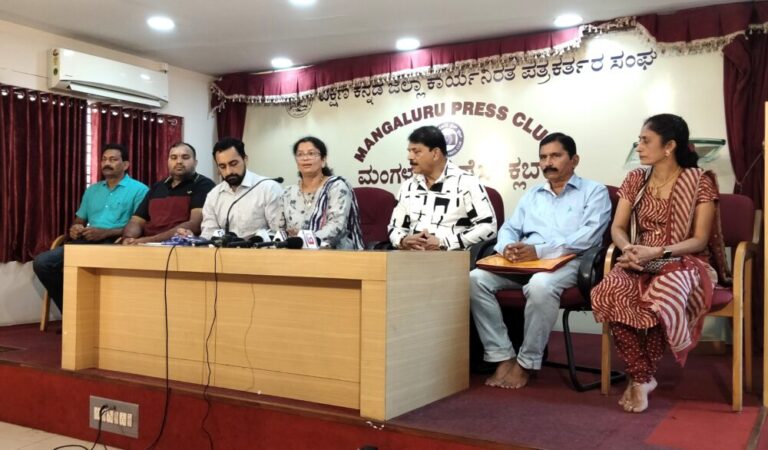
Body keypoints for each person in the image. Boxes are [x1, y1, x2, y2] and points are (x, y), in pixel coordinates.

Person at [591, 114, 727, 413]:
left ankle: (639, 379)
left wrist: (658, 252)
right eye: (639, 140)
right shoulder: (635, 179)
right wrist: (628, 249)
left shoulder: (699, 181)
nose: (638, 146)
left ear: (669, 146)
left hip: (684, 260)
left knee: (661, 297)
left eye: (645, 140)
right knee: (609, 290)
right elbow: (618, 228)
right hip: (638, 257)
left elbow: (699, 240)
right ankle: (643, 377)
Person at [470, 132, 611, 389]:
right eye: (543, 157)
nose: (548, 162)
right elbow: (510, 228)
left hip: (571, 261)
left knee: (540, 284)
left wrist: (540, 251)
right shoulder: (532, 194)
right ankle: (502, 356)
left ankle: (527, 362)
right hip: (526, 262)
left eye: (555, 156)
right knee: (475, 279)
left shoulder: (594, 191)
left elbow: (588, 237)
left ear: (574, 160)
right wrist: (507, 248)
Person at [33, 144, 149, 313]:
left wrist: (105, 233)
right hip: (85, 241)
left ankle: (93, 313)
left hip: (116, 243)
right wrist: (76, 228)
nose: (107, 163)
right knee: (43, 263)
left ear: (125, 165)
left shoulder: (140, 190)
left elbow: (141, 226)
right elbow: (79, 219)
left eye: (113, 159)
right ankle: (73, 312)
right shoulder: (92, 190)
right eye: (104, 159)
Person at [388, 125, 496, 250]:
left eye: (416, 152)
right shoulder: (408, 186)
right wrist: (403, 240)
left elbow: (488, 227)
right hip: (411, 257)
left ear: (435, 153)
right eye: (409, 151)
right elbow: (395, 228)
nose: (410, 157)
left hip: (452, 257)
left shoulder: (467, 182)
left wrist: (444, 243)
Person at [179, 137, 282, 240]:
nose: (229, 171)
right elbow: (209, 235)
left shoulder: (269, 188)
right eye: (222, 166)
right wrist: (193, 239)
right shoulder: (213, 195)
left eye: (233, 164)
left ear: (245, 160)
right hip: (223, 251)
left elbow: (279, 233)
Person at [121, 142, 215, 245]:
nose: (179, 161)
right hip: (145, 244)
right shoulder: (157, 187)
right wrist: (128, 238)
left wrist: (147, 240)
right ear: (168, 161)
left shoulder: (203, 184)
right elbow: (137, 221)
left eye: (185, 157)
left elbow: (195, 224)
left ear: (195, 162)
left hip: (178, 245)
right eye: (173, 157)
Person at [279, 136, 363, 249]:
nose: (305, 158)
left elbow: (336, 227)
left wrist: (304, 239)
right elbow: (279, 228)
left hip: (333, 251)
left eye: (311, 153)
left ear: (323, 160)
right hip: (295, 252)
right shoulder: (287, 192)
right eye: (300, 154)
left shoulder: (336, 187)